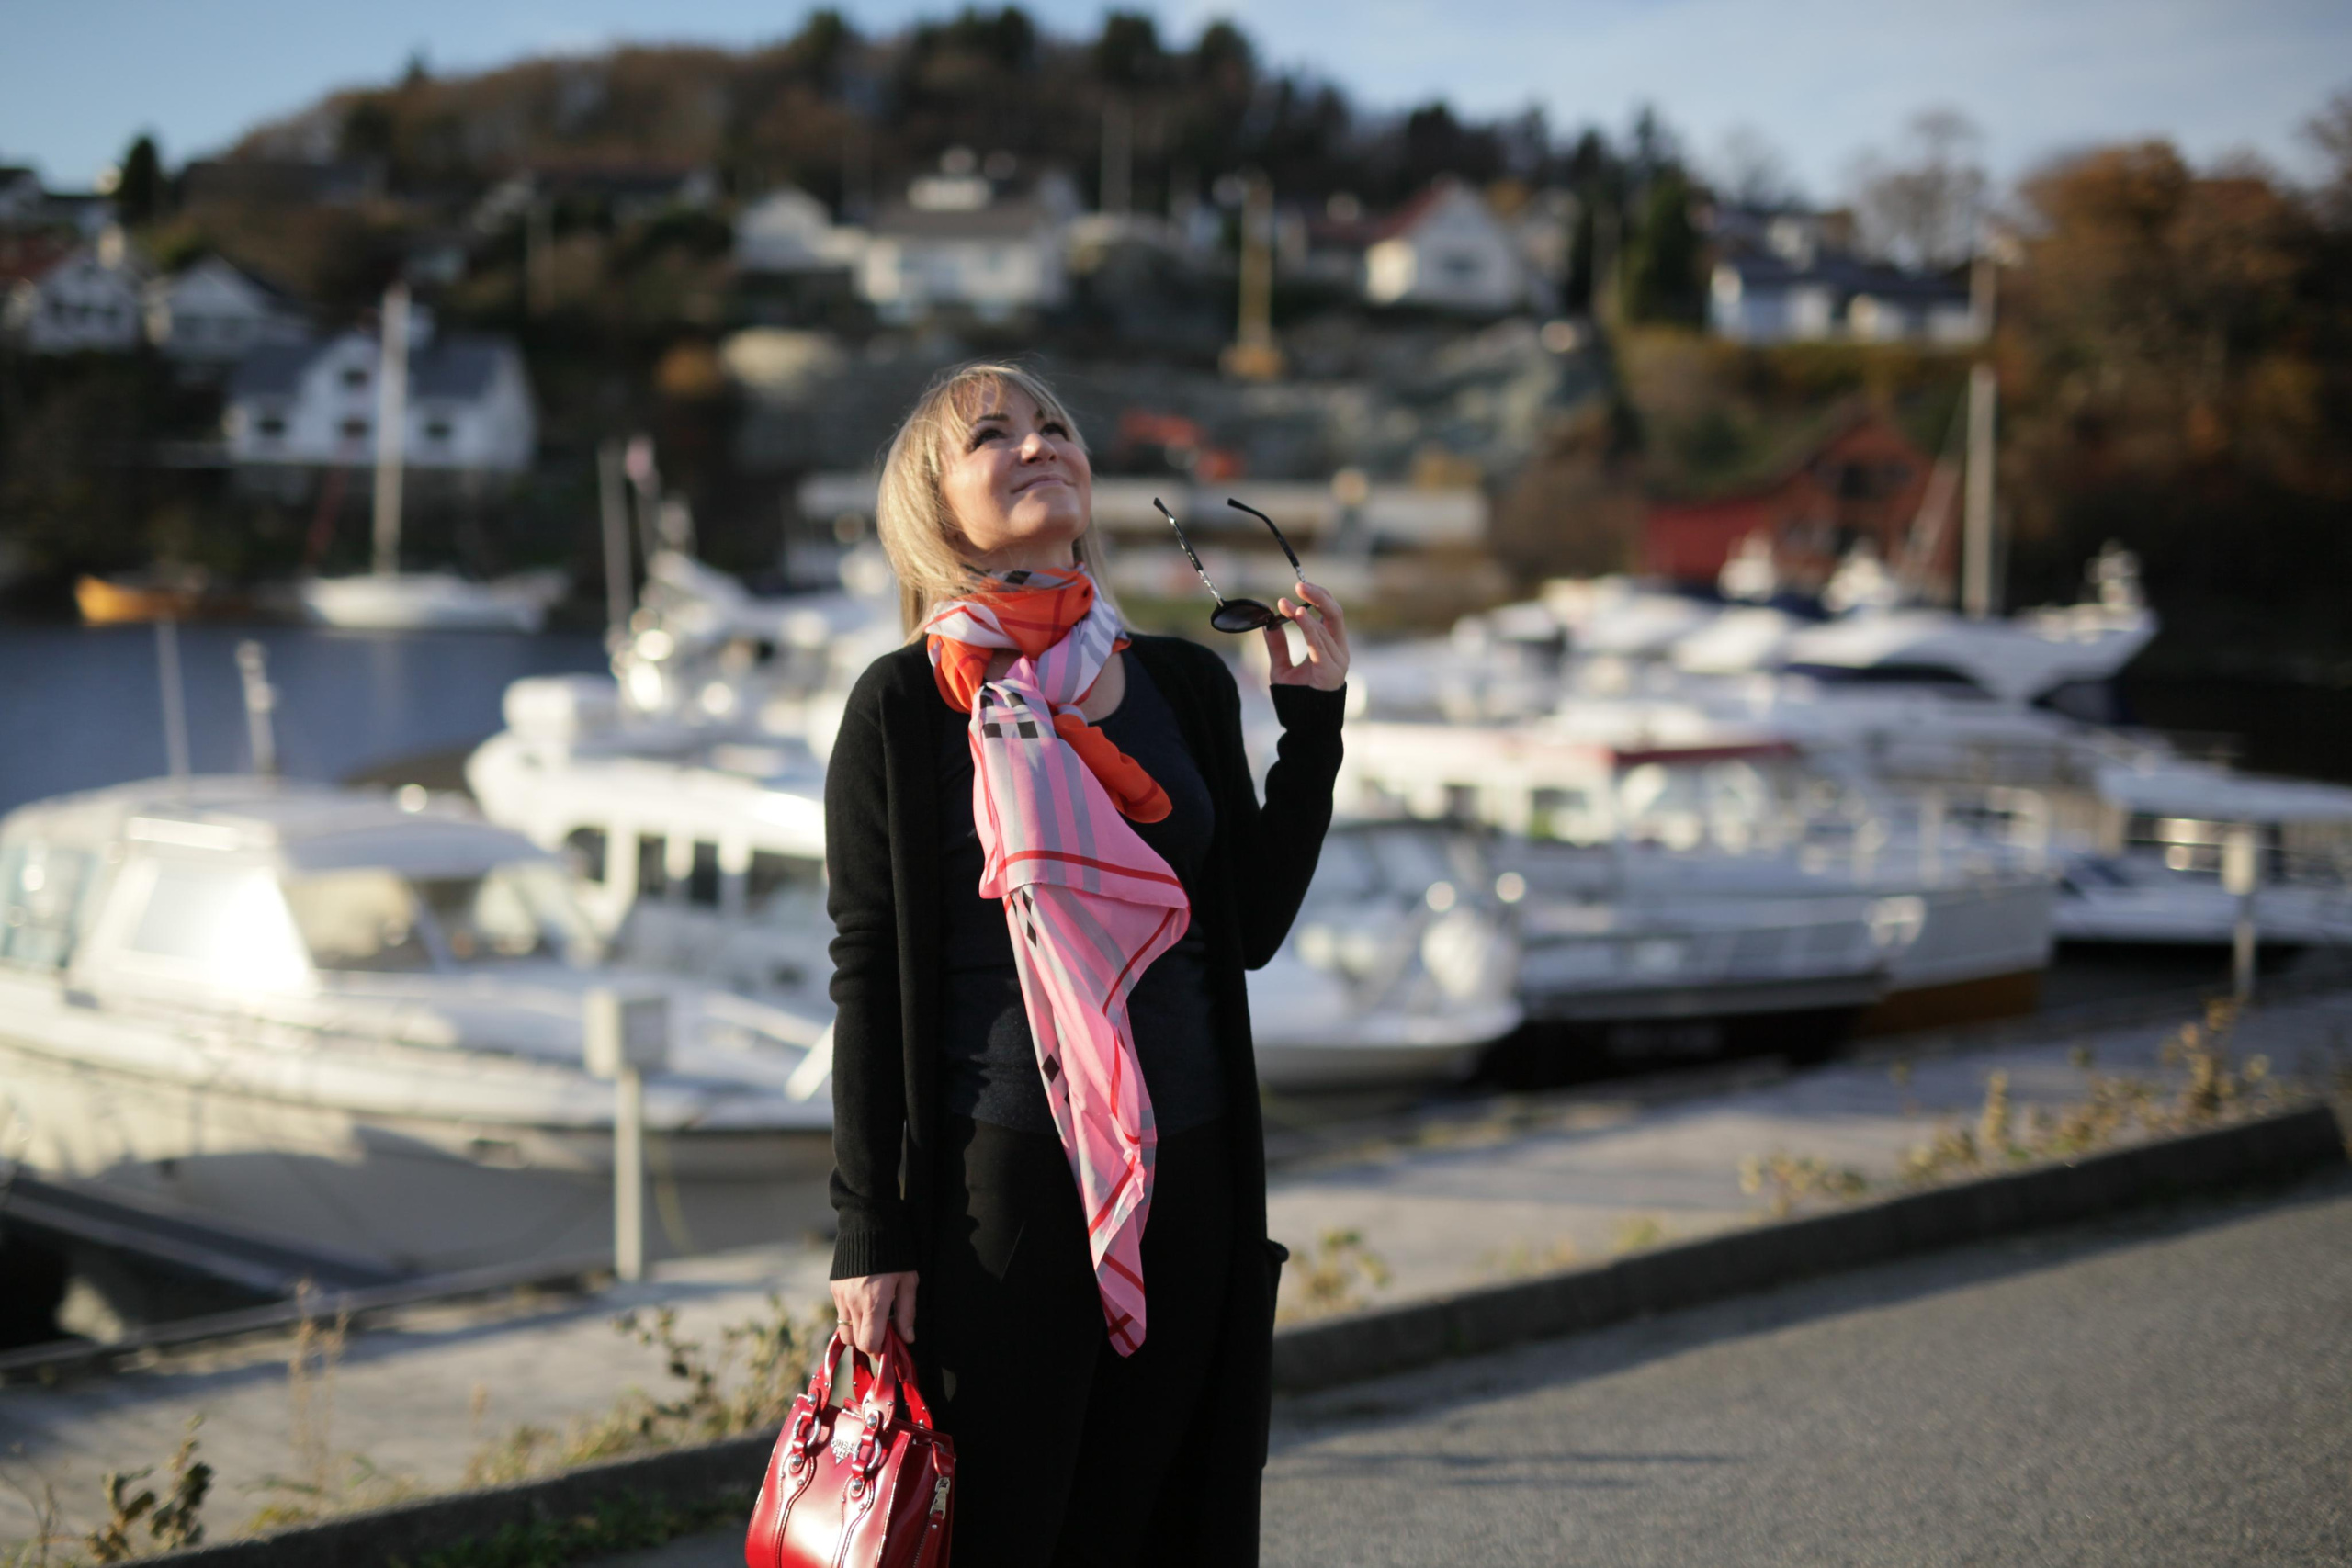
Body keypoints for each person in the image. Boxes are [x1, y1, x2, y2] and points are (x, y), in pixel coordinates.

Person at [823, 362, 1350, 1565]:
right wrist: (871, 1232)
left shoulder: (1179, 681)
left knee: (1150, 1519)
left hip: (1194, 1164)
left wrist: (1312, 727)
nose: (1036, 443)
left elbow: (1248, 930)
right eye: (991, 435)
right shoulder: (904, 707)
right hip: (1003, 1179)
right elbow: (870, 971)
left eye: (1054, 425)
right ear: (932, 503)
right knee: (1008, 1529)